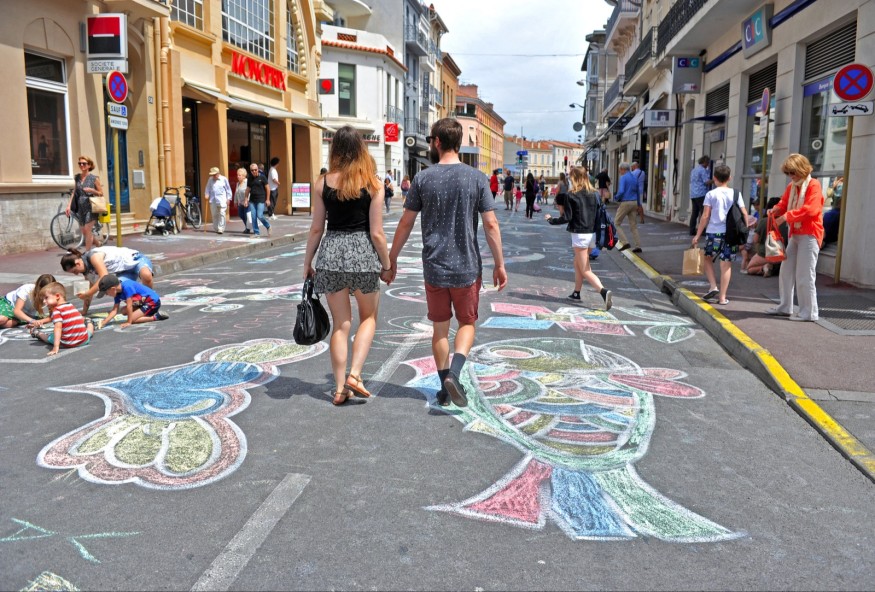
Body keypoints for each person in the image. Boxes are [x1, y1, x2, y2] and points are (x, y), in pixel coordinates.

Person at [385, 117, 507, 408]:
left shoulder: (423, 179)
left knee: (439, 328)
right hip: (466, 267)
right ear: (459, 143)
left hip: (435, 267)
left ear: (437, 142)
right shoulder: (476, 178)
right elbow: (491, 224)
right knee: (467, 323)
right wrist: (499, 264)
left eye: (431, 140)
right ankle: (455, 373)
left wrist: (392, 259)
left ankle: (444, 387)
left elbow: (405, 223)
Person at [302, 126, 391, 406]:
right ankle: (355, 374)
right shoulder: (373, 184)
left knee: (341, 324)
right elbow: (377, 233)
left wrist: (308, 262)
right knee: (368, 318)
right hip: (363, 255)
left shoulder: (322, 183)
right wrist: (387, 264)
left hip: (331, 255)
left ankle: (340, 389)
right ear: (361, 149)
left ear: (335, 149)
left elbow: (316, 229)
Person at [764, 154, 825, 322]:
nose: (790, 176)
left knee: (805, 275)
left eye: (792, 172)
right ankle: (785, 307)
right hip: (796, 234)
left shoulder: (814, 184)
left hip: (810, 234)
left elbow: (811, 210)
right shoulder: (793, 186)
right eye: (788, 173)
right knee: (786, 271)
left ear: (801, 169)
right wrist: (775, 210)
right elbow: (783, 203)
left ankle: (809, 313)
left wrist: (785, 216)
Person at [544, 167, 613, 310]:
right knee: (577, 264)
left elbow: (567, 217)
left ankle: (603, 291)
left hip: (580, 235)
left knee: (586, 269)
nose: (569, 179)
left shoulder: (571, 195)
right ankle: (576, 292)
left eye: (571, 177)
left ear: (574, 178)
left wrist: (551, 220)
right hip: (592, 235)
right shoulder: (595, 194)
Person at [691, 164, 751, 306]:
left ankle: (713, 286)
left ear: (714, 178)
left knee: (707, 259)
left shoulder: (710, 194)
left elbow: (705, 216)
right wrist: (744, 231)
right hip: (730, 234)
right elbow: (744, 213)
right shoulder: (736, 193)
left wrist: (697, 235)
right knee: (726, 265)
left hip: (713, 232)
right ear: (729, 178)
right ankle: (723, 298)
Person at [60, 246, 155, 314]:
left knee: (146, 275)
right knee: (116, 288)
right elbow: (91, 288)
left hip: (135, 259)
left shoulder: (94, 256)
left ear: (78, 263)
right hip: (124, 272)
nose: (76, 274)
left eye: (75, 271)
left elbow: (103, 276)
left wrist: (87, 294)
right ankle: (139, 305)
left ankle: (150, 301)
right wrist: (84, 311)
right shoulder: (87, 272)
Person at [29, 282, 93, 356]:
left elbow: (58, 328)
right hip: (83, 341)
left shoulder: (57, 310)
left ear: (57, 296)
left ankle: (37, 333)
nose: (44, 301)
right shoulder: (71, 306)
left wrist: (56, 347)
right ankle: (89, 322)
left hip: (68, 343)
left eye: (46, 298)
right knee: (88, 332)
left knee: (50, 337)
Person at [97, 274, 169, 329]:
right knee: (123, 311)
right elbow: (114, 310)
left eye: (106, 293)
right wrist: (104, 322)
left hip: (152, 302)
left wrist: (129, 322)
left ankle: (156, 317)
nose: (106, 295)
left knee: (133, 320)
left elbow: (129, 306)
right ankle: (141, 313)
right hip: (142, 303)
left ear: (113, 289)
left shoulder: (127, 286)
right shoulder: (117, 293)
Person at [65, 155, 104, 252]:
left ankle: (87, 253)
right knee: (84, 231)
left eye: (84, 163)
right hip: (80, 207)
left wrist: (92, 190)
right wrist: (68, 206)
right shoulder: (77, 177)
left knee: (87, 229)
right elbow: (74, 192)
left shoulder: (94, 178)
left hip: (91, 206)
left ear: (89, 165)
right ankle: (98, 243)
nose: (81, 165)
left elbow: (101, 193)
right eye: (80, 163)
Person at [745, 198, 786, 276]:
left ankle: (764, 268)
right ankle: (774, 268)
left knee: (749, 268)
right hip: (782, 255)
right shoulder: (786, 223)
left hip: (765, 253)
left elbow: (755, 240)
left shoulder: (764, 221)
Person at [613, 162, 643, 253]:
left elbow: (621, 191)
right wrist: (639, 204)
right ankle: (638, 246)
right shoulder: (634, 177)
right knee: (633, 225)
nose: (619, 172)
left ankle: (625, 242)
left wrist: (616, 197)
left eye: (620, 170)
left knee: (616, 223)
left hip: (626, 202)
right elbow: (638, 192)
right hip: (634, 202)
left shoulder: (623, 178)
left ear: (623, 169)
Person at [245, 162, 271, 237]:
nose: (254, 171)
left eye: (255, 170)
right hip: (252, 200)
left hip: (261, 199)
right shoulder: (250, 178)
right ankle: (256, 233)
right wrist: (246, 199)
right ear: (250, 171)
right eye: (252, 170)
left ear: (258, 169)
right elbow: (247, 189)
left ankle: (268, 226)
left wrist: (268, 199)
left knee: (260, 215)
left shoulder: (262, 177)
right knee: (253, 217)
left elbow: (268, 188)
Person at [204, 166, 232, 234]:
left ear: (218, 173)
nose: (213, 176)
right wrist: (206, 194)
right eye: (212, 175)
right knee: (214, 214)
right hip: (213, 200)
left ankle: (221, 228)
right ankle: (216, 228)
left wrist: (228, 198)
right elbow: (207, 188)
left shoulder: (224, 179)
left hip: (222, 200)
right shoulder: (210, 179)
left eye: (214, 174)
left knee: (222, 213)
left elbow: (228, 189)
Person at [689, 155, 712, 235]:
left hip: (693, 194)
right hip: (701, 194)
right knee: (703, 213)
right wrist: (715, 180)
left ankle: (692, 230)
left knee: (694, 213)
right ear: (705, 162)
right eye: (708, 162)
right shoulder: (702, 170)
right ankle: (702, 231)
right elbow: (706, 182)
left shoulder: (694, 170)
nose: (708, 164)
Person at [234, 167, 251, 233]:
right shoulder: (238, 183)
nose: (238, 176)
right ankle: (247, 227)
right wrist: (235, 201)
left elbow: (249, 192)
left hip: (247, 202)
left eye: (239, 175)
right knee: (241, 214)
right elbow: (236, 193)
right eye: (237, 175)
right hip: (240, 203)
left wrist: (247, 200)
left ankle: (248, 229)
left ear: (244, 176)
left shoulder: (247, 182)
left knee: (247, 216)